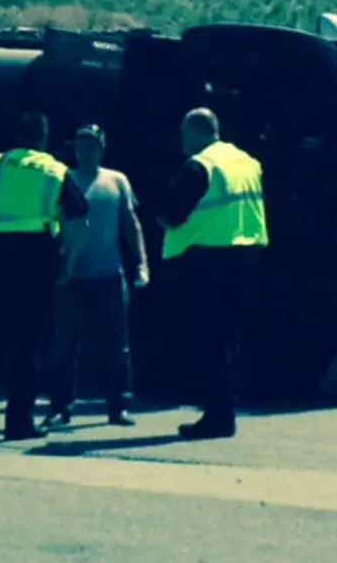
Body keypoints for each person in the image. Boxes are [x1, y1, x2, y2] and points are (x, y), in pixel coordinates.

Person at [0, 111, 90, 443]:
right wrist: (69, 260)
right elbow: (80, 221)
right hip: (36, 259)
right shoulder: (55, 170)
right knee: (28, 343)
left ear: (18, 135)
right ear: (44, 136)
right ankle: (18, 421)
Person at [157, 108, 269, 439]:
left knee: (211, 340)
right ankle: (226, 409)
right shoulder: (246, 162)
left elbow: (170, 214)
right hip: (248, 255)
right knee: (230, 339)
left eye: (183, 132)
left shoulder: (200, 166)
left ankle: (217, 417)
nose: (181, 139)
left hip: (213, 260)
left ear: (195, 132)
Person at [43, 124, 149, 428]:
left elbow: (131, 224)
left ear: (101, 148)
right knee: (63, 343)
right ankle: (60, 407)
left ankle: (119, 406)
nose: (84, 150)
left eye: (91, 145)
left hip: (108, 275)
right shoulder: (63, 180)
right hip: (71, 276)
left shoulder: (117, 181)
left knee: (116, 345)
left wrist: (141, 263)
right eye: (80, 144)